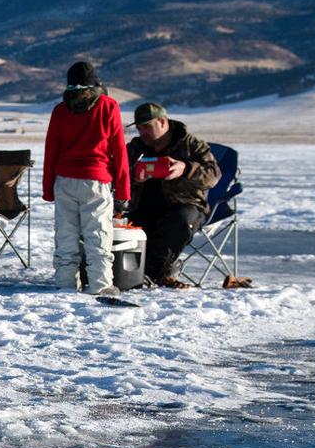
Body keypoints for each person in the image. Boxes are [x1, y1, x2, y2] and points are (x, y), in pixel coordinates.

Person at [42, 62, 130, 294]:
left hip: (65, 181)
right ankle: (101, 285)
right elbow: (119, 151)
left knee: (66, 235)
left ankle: (65, 284)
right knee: (98, 234)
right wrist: (123, 191)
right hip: (96, 181)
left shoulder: (60, 110)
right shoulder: (108, 106)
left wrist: (48, 189)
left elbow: (51, 150)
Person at [124, 102, 221, 288]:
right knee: (126, 229)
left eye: (146, 127)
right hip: (143, 207)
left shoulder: (190, 145)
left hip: (185, 205)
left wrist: (185, 169)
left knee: (179, 222)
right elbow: (116, 177)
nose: (142, 132)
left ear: (162, 121)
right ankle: (136, 274)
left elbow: (213, 175)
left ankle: (151, 275)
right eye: (139, 128)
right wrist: (135, 176)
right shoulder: (135, 148)